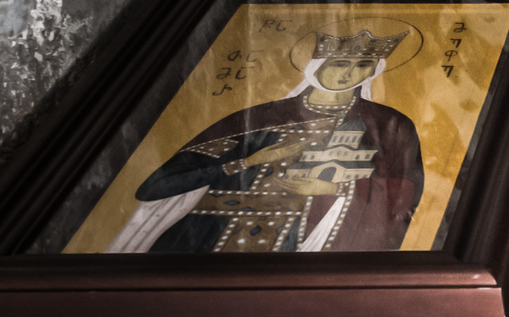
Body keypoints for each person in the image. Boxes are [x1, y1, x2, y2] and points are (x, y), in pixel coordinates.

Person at [106, 28, 424, 253]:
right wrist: (250, 161)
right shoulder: (262, 117)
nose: (347, 74)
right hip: (210, 234)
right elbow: (161, 184)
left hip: (306, 244)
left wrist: (335, 189)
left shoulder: (388, 124)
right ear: (317, 66)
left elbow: (400, 197)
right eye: (339, 63)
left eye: (362, 66)